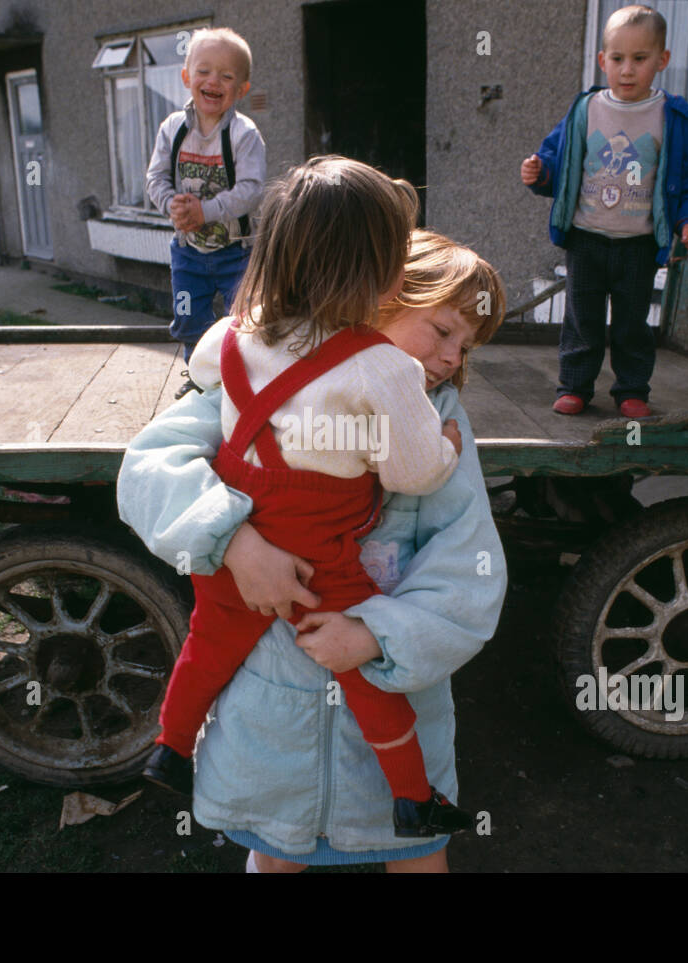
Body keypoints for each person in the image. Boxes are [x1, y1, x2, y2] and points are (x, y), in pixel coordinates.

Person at [117, 228, 507, 870]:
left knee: (418, 858)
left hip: (393, 715)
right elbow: (148, 469)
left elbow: (469, 566)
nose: (450, 359)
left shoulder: (439, 421)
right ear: (380, 296)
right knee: (275, 857)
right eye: (441, 332)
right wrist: (234, 542)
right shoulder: (248, 386)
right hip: (273, 728)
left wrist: (378, 634)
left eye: (465, 347)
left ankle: (413, 801)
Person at [521, 3, 688, 419]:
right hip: (586, 238)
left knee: (632, 324)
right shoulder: (585, 110)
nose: (627, 70)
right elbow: (559, 161)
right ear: (601, 61)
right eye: (618, 59)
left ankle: (631, 391)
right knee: (581, 320)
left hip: (638, 245)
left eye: (640, 59)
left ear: (661, 61)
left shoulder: (674, 117)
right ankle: (574, 386)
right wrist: (539, 171)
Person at [146, 27, 265, 397]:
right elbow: (155, 179)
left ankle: (242, 382)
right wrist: (172, 205)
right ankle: (198, 378)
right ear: (186, 77)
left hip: (237, 252)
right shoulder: (172, 130)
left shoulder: (244, 135)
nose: (213, 81)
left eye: (226, 76)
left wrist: (206, 210)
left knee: (244, 321)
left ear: (241, 89)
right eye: (204, 71)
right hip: (188, 252)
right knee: (188, 316)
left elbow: (251, 191)